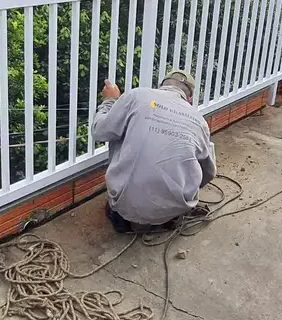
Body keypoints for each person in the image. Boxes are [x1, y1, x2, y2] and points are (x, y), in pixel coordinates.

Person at [92, 70, 216, 233]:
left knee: (123, 131)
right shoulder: (199, 120)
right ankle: (163, 217)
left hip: (125, 207)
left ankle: (130, 215)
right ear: (189, 98)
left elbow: (99, 132)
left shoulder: (137, 96)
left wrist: (110, 100)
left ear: (161, 87)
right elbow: (209, 172)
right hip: (176, 209)